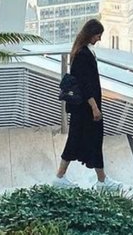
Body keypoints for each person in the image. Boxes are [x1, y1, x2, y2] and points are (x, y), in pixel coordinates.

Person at [54, 19, 122, 189]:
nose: (99, 39)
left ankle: (63, 177)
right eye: (98, 35)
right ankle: (101, 181)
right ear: (91, 34)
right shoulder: (83, 54)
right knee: (91, 140)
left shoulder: (80, 51)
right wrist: (95, 108)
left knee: (77, 140)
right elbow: (85, 84)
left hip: (82, 109)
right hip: (87, 109)